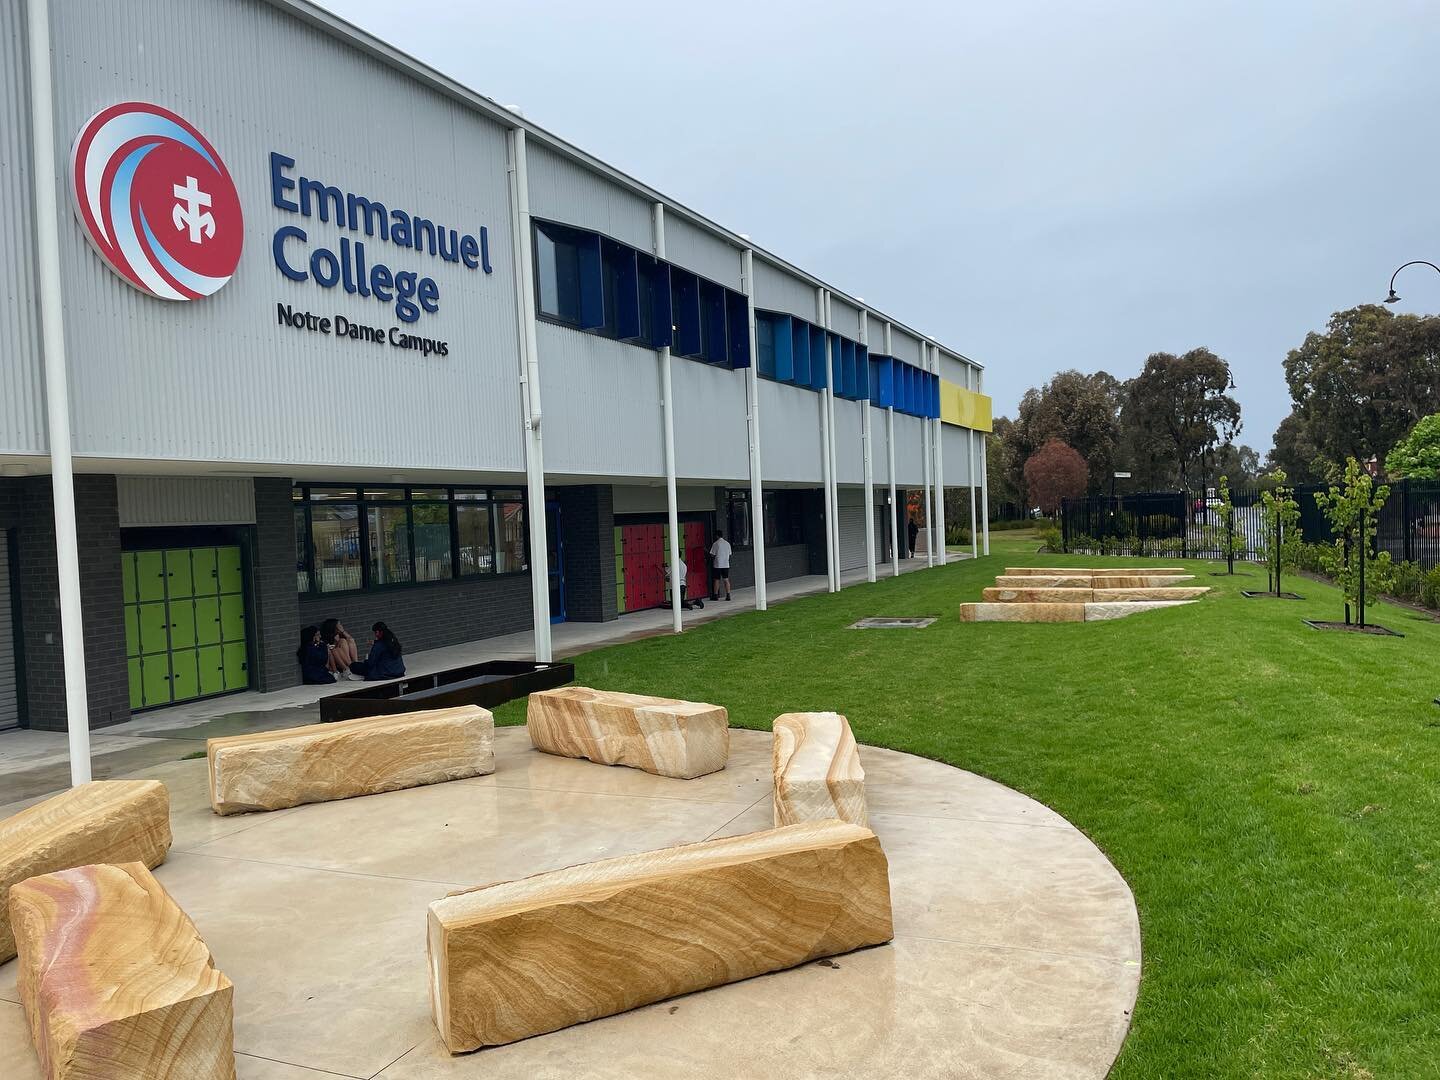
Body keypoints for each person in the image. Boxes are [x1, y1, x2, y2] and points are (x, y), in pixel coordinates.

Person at [708, 530, 732, 601]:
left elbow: (712, 554)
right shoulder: (727, 544)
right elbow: (730, 554)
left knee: (717, 580)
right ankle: (728, 595)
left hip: (718, 565)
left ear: (717, 536)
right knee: (726, 579)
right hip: (726, 564)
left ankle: (715, 595)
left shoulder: (716, 544)